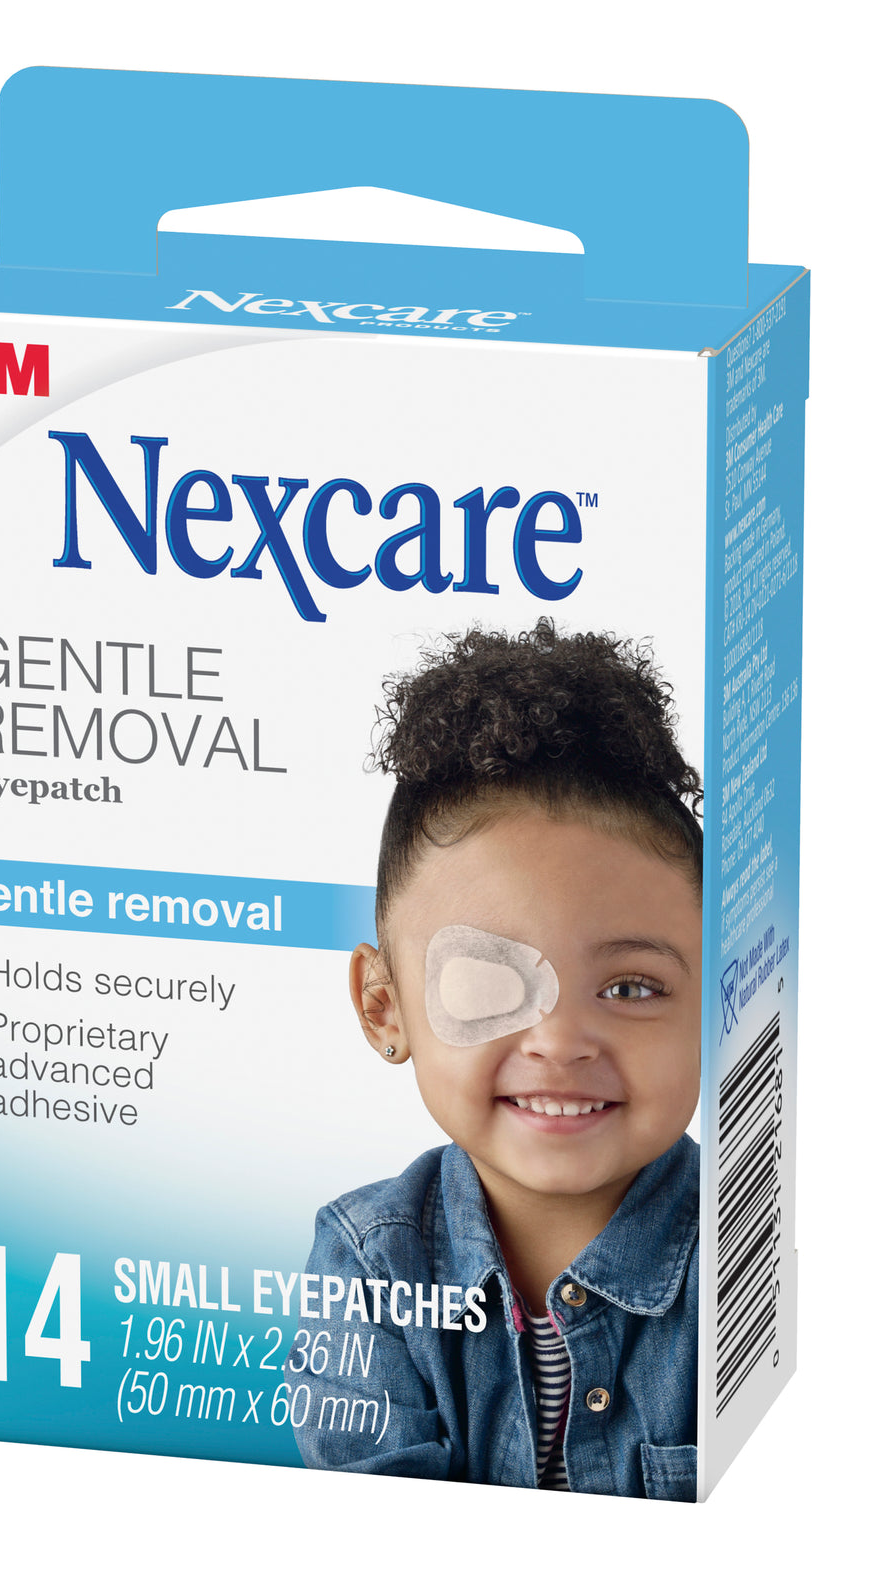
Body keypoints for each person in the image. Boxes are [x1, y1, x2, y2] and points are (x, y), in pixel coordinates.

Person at [287, 621, 703, 1501]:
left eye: (631, 987)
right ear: (383, 1006)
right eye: (490, 980)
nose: (560, 1039)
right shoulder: (371, 1266)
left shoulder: (746, 1246)